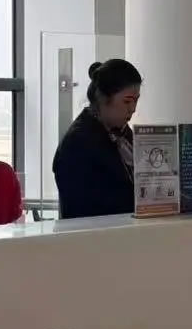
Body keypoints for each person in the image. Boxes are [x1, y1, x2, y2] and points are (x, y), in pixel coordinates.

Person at [52, 59, 141, 219]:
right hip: (97, 230)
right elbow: (83, 207)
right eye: (127, 101)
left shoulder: (122, 133)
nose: (133, 109)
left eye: (136, 100)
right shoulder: (78, 143)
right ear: (104, 99)